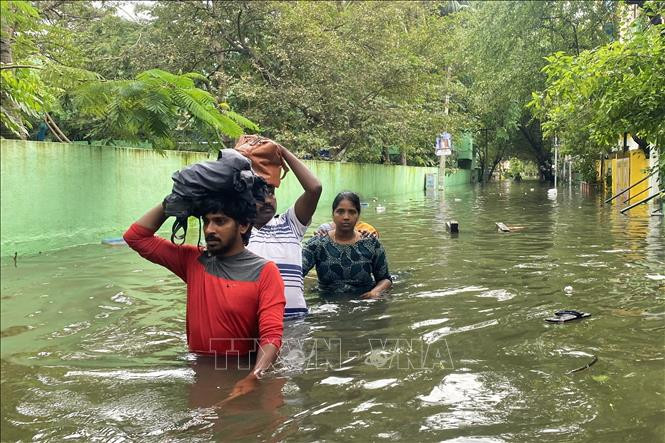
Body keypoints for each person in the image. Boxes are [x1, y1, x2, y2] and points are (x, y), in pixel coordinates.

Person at [123, 194, 285, 399]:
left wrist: (254, 376)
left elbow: (271, 336)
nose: (209, 229)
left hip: (241, 374)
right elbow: (135, 237)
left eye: (220, 221)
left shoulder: (266, 272)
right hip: (197, 369)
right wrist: (170, 202)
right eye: (206, 221)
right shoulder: (193, 261)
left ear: (243, 225)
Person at [246, 146, 322, 318]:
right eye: (259, 195)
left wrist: (283, 152)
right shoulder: (237, 232)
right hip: (253, 326)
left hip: (295, 326)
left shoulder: (290, 224)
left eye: (271, 193)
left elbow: (314, 189)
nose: (267, 200)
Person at [302, 192, 392, 298]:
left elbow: (385, 279)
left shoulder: (371, 244)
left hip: (363, 301)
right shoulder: (317, 244)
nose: (346, 217)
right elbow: (297, 272)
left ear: (358, 216)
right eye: (340, 212)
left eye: (352, 212)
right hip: (328, 304)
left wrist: (375, 292)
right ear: (333, 214)